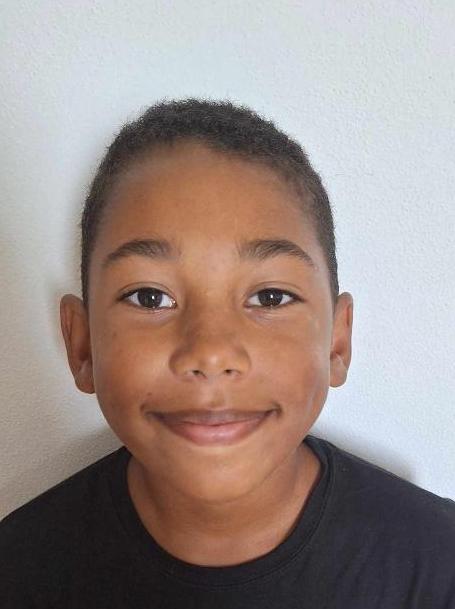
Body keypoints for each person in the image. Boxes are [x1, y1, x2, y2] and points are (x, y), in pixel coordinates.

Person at [1, 98, 454, 608]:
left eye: (270, 297)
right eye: (150, 297)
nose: (211, 352)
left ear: (337, 341)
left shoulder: (438, 570)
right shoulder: (18, 575)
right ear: (82, 344)